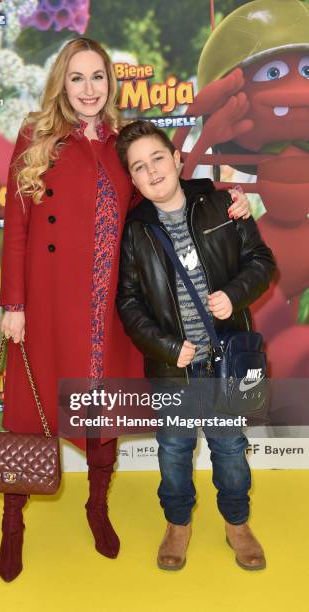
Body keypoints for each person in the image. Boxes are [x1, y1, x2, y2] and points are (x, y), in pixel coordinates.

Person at [0, 38, 251, 582]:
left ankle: (97, 507)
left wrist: (226, 192)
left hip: (106, 305)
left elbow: (165, 188)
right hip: (46, 305)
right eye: (77, 78)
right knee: (27, 415)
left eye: (98, 78)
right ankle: (12, 522)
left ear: (110, 83)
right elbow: (15, 227)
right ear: (62, 85)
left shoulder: (120, 143)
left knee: (101, 411)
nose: (88, 89)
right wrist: (13, 303)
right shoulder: (35, 137)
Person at [115, 120, 275, 571]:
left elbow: (261, 261)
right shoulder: (135, 231)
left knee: (229, 450)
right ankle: (178, 523)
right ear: (133, 179)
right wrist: (166, 346)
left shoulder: (222, 204)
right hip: (173, 371)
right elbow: (127, 303)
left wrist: (235, 293)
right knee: (174, 450)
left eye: (158, 158)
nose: (152, 171)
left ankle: (237, 523)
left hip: (225, 365)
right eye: (139, 167)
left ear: (178, 159)